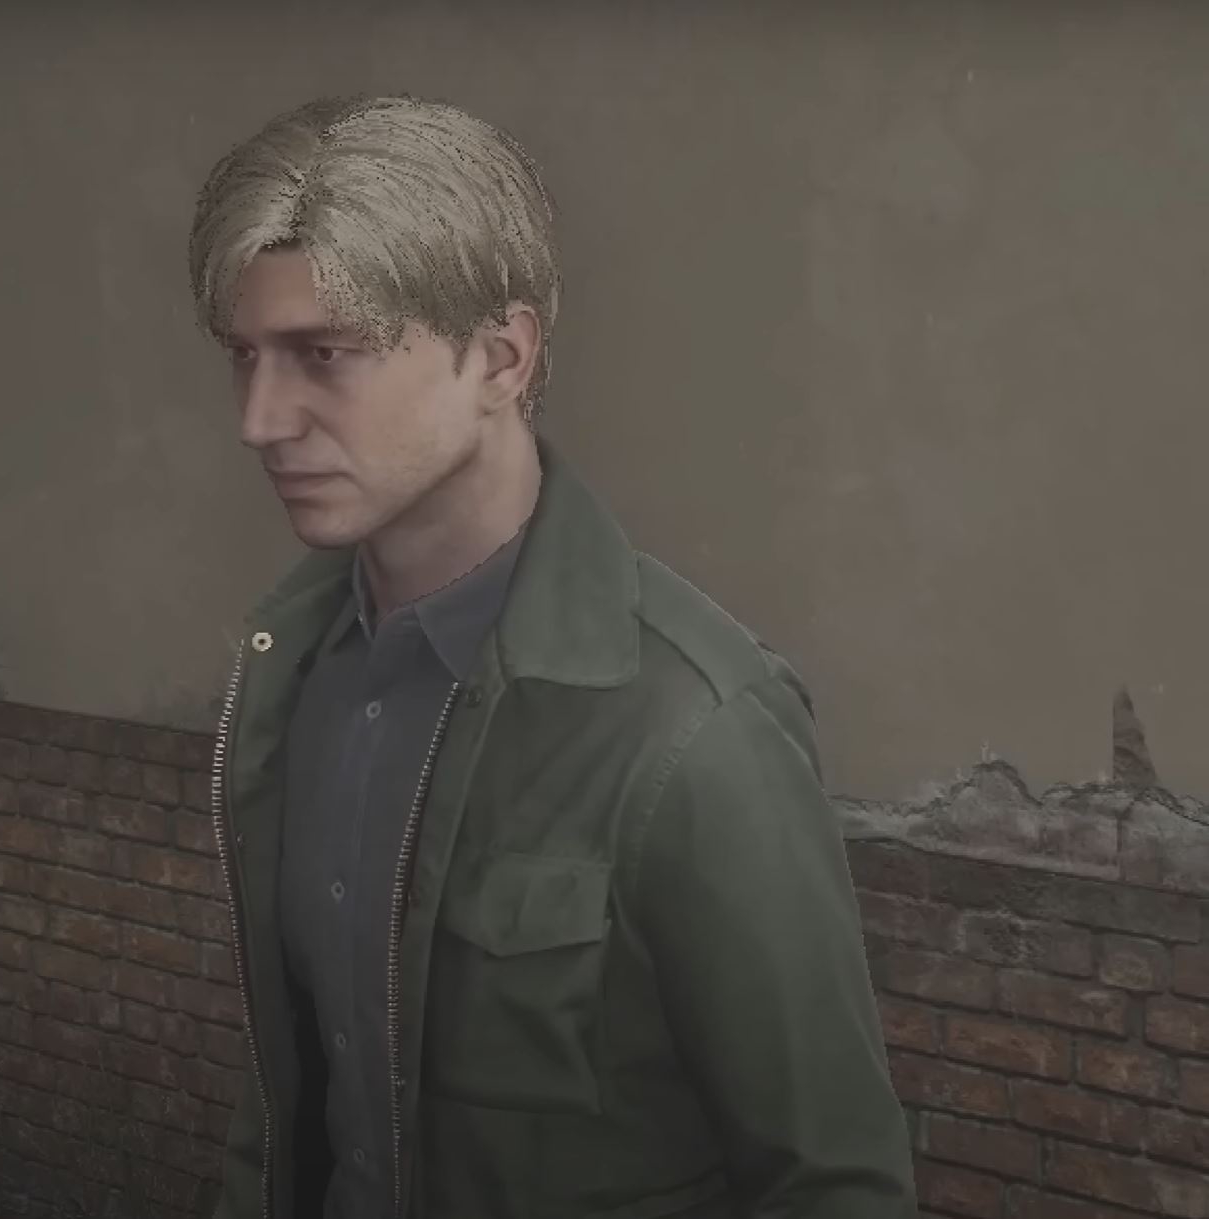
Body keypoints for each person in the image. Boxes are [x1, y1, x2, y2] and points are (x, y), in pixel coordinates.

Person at [188, 92, 917, 1219]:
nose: (261, 418)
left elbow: (832, 1183)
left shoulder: (694, 724)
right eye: (246, 356)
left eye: (324, 354)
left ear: (501, 356)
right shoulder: (289, 670)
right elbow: (293, 1098)